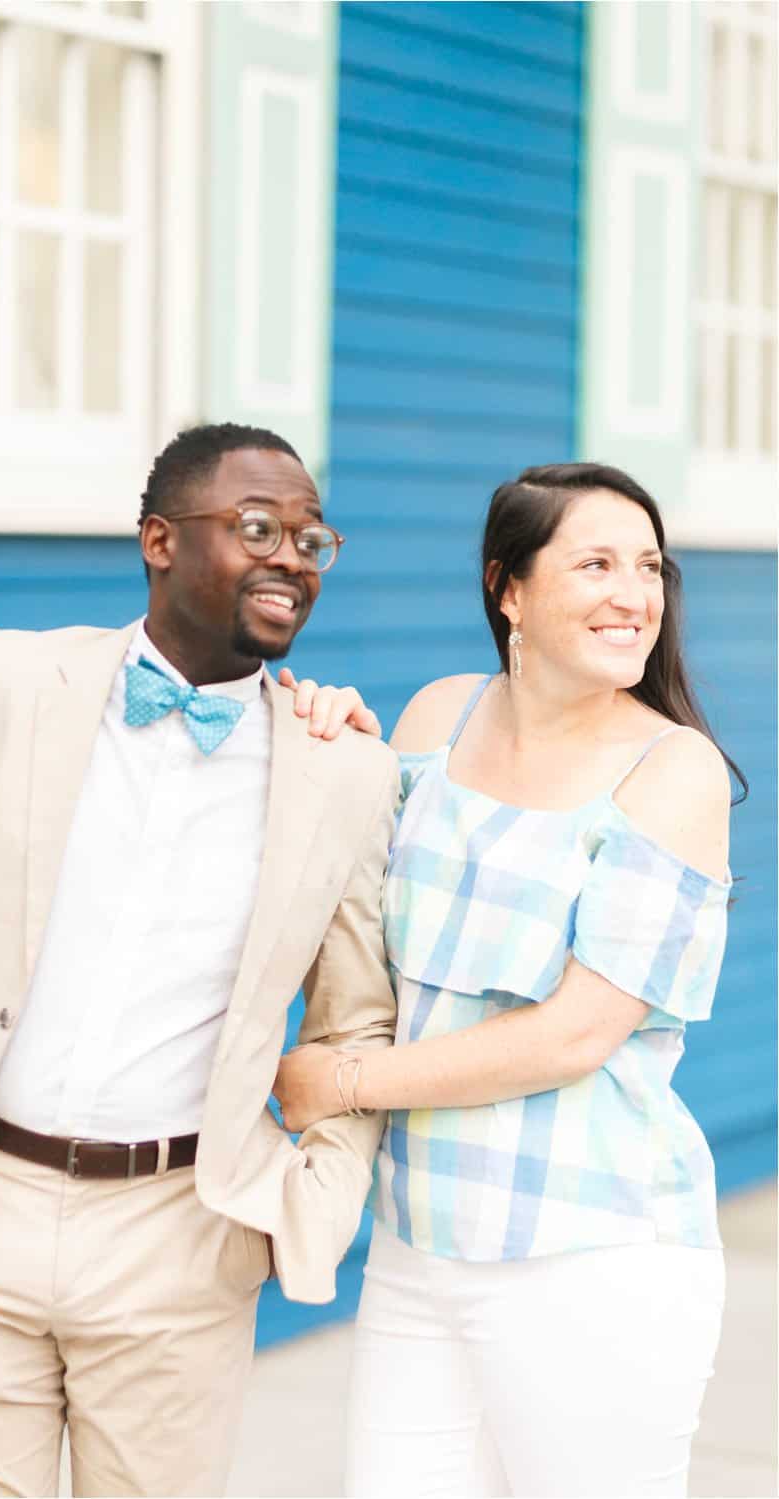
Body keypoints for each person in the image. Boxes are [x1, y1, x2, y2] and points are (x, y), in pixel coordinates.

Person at [0, 422, 398, 1499]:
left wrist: (308, 1197)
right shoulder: (1, 679)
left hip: (181, 1233)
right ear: (159, 540)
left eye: (312, 540)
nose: (290, 558)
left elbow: (354, 1021)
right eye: (258, 527)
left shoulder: (346, 771)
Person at [274, 463, 744, 1499]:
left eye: (648, 567)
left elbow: (573, 1033)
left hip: (593, 1251)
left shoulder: (671, 772)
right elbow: (346, 897)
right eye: (595, 563)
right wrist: (329, 745)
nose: (634, 593)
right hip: (417, 1239)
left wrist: (340, 1082)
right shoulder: (437, 721)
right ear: (509, 588)